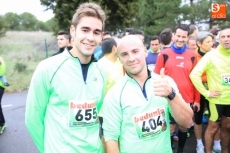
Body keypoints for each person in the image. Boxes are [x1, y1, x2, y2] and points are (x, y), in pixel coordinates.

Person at [25, 2, 106, 153]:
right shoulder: (47, 68)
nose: (90, 37)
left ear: (101, 36)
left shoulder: (102, 71)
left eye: (96, 32)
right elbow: (32, 120)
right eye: (85, 30)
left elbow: (96, 112)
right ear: (73, 31)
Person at [102, 35, 193, 153]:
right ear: (119, 59)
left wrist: (171, 95)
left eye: (135, 51)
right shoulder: (114, 95)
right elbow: (111, 139)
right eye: (124, 54)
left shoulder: (165, 83)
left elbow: (187, 122)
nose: (131, 58)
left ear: (145, 51)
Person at [154, 24, 200, 153]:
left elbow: (195, 79)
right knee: (170, 127)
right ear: (174, 35)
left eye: (183, 37)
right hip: (168, 97)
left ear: (187, 38)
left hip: (186, 98)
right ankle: (168, 149)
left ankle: (180, 150)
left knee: (184, 126)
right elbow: (157, 78)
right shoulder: (164, 54)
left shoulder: (192, 55)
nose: (180, 39)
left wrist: (197, 100)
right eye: (178, 36)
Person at [190, 28, 230, 153]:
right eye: (223, 37)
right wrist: (206, 93)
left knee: (227, 127)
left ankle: (224, 151)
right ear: (219, 39)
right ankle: (207, 151)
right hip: (217, 99)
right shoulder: (211, 55)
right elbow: (194, 75)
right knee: (213, 128)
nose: (226, 39)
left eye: (229, 36)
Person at [97, 37, 123, 151]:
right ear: (114, 48)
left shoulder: (120, 61)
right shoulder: (100, 65)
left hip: (122, 108)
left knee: (121, 136)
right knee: (107, 138)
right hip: (105, 111)